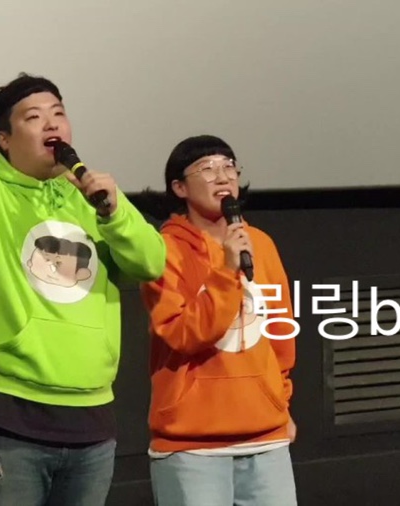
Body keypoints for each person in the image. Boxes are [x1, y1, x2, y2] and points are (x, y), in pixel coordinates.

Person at [0, 1, 167, 504]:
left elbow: (150, 263)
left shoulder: (94, 197)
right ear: (4, 139)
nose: (53, 124)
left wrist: (116, 213)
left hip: (93, 418)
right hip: (10, 417)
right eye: (34, 117)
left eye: (59, 113)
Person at [140, 135, 298, 505]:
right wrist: (227, 272)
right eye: (207, 169)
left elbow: (279, 331)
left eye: (229, 166)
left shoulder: (259, 243)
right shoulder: (165, 251)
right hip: (192, 445)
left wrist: (282, 404)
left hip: (267, 437)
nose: (223, 176)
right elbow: (183, 334)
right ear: (179, 187)